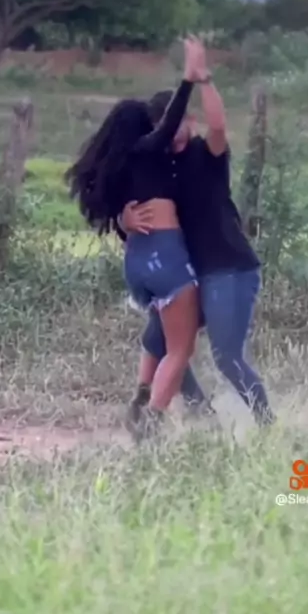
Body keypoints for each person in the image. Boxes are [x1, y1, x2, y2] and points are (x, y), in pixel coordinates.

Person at [119, 37, 275, 436]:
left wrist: (203, 79)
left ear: (189, 120)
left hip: (227, 266)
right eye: (164, 127)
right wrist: (124, 218)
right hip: (188, 272)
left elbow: (220, 126)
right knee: (165, 344)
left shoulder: (208, 153)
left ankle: (269, 427)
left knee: (226, 357)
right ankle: (204, 419)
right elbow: (129, 203)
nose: (172, 132)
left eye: (177, 123)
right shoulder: (158, 165)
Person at [66, 40, 207, 436]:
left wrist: (122, 219)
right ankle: (150, 421)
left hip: (137, 265)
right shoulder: (149, 153)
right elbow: (168, 126)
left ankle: (167, 403)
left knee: (165, 334)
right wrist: (188, 80)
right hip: (165, 258)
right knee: (180, 347)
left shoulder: (118, 170)